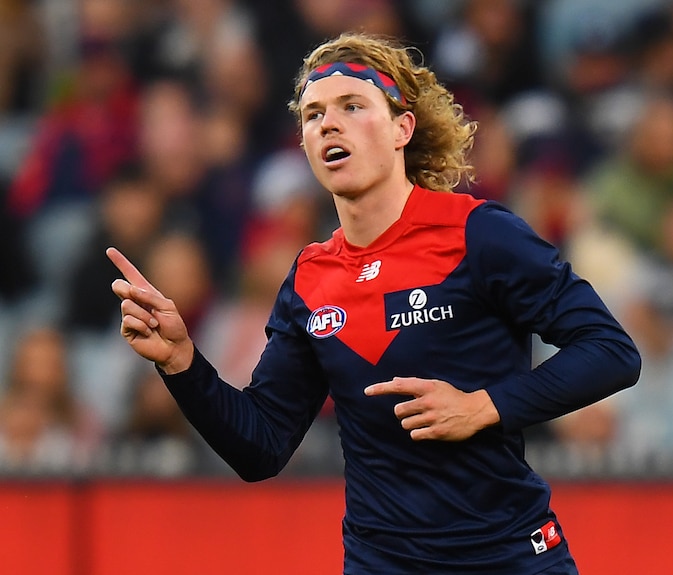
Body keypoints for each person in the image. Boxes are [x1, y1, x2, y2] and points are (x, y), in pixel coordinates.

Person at [107, 32, 641, 575]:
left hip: (510, 558)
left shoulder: (478, 234)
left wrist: (484, 406)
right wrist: (181, 362)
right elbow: (260, 447)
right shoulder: (310, 279)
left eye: (352, 106)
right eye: (313, 115)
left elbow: (611, 351)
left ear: (401, 129)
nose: (328, 124)